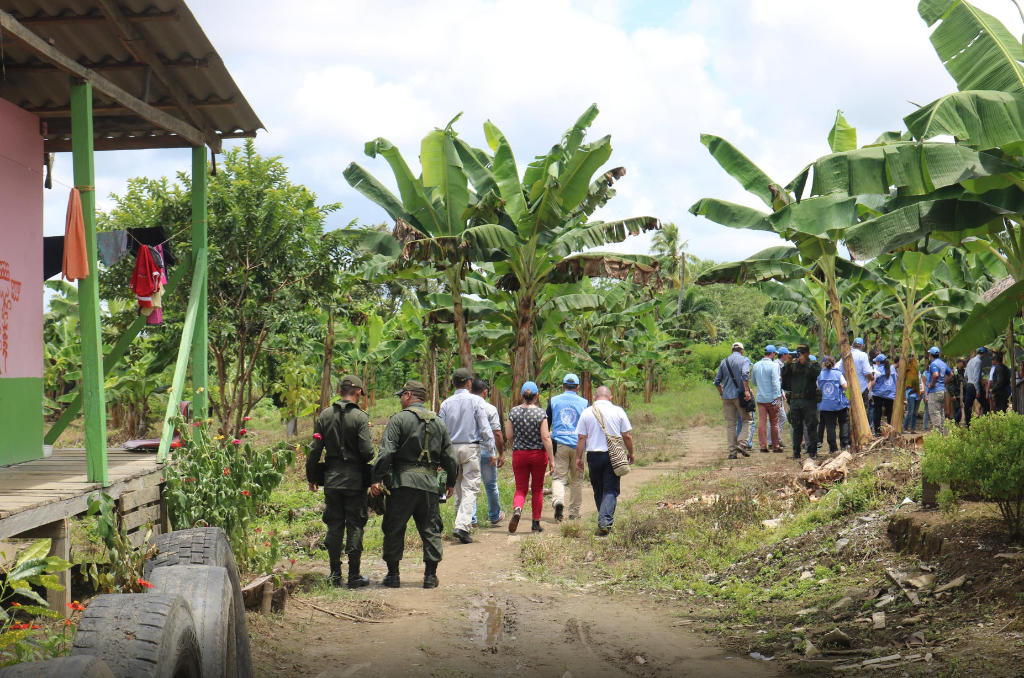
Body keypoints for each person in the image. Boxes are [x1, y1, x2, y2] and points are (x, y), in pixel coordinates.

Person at [369, 380, 459, 589]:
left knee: (394, 527)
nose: (400, 399)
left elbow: (386, 452)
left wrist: (376, 478)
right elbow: (449, 456)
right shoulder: (438, 422)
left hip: (401, 485)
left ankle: (393, 576)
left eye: (402, 395)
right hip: (429, 485)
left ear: (408, 395)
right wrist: (451, 481)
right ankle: (430, 576)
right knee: (431, 528)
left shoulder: (398, 420)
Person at [305, 375, 375, 588]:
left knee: (334, 525)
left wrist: (311, 476)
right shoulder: (360, 417)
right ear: (359, 393)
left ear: (339, 391)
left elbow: (314, 450)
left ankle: (335, 574)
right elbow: (368, 452)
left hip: (332, 479)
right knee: (355, 525)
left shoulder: (325, 415)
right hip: (355, 480)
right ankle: (354, 575)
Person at [437, 367, 495, 544]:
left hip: (451, 449)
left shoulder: (446, 404)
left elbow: (440, 431)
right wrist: (492, 451)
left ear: (453, 383)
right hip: (470, 448)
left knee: (458, 487)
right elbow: (485, 428)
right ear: (469, 382)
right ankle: (462, 526)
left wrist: (440, 457)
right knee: (470, 487)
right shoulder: (476, 402)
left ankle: (461, 524)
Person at [575, 386, 634, 535]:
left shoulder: (587, 412)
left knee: (598, 489)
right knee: (610, 489)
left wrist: (578, 457)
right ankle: (605, 521)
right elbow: (627, 435)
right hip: (612, 456)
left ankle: (603, 519)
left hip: (593, 456)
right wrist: (631, 452)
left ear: (594, 398)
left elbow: (581, 437)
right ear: (610, 397)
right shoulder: (618, 411)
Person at [506, 381, 554, 533]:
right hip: (538, 455)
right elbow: (545, 437)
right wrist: (552, 459)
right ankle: (535, 523)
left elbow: (509, 435)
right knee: (537, 488)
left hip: (519, 454)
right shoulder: (540, 413)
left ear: (521, 395)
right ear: (536, 396)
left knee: (521, 488)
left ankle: (518, 508)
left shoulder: (513, 412)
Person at [546, 373, 588, 521]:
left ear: (563, 386)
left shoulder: (554, 401)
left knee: (559, 477)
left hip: (560, 444)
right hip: (578, 445)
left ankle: (558, 501)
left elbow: (547, 424)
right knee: (576, 480)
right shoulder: (584, 403)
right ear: (578, 387)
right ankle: (574, 512)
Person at [471, 378, 505, 527]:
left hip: (471, 451)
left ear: (471, 391)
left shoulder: (467, 407)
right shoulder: (490, 408)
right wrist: (501, 453)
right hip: (487, 452)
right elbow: (497, 433)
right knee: (491, 485)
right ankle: (495, 516)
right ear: (485, 391)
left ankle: (471, 519)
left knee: (470, 486)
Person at [713, 342, 753, 460]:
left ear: (731, 351)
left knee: (731, 425)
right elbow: (745, 375)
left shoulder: (724, 362)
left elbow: (717, 381)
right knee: (747, 420)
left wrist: (721, 394)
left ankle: (732, 452)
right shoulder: (744, 360)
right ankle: (742, 443)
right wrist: (746, 390)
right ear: (742, 351)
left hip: (727, 396)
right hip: (740, 396)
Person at [781, 345, 821, 460]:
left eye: (802, 353)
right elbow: (784, 375)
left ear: (808, 353)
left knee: (811, 426)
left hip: (808, 401)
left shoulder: (813, 364)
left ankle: (813, 451)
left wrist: (805, 363)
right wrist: (788, 363)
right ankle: (796, 452)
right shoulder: (793, 365)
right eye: (798, 353)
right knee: (796, 427)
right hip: (795, 401)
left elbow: (816, 373)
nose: (800, 355)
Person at [751, 345, 783, 453]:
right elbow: (776, 382)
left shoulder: (756, 365)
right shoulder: (774, 366)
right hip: (772, 399)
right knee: (774, 421)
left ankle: (763, 446)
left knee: (762, 421)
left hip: (761, 398)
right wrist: (778, 398)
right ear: (772, 353)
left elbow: (754, 381)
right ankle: (775, 446)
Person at [817, 356, 850, 454]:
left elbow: (817, 387)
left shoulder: (820, 374)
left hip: (826, 404)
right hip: (839, 404)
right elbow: (845, 386)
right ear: (834, 363)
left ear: (824, 364)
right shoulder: (838, 374)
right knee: (843, 423)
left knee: (830, 426)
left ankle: (833, 448)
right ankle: (844, 445)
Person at [924, 347, 952, 435]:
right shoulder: (943, 364)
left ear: (930, 355)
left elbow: (935, 375)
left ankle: (938, 435)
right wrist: (945, 382)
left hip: (935, 392)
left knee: (934, 413)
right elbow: (951, 374)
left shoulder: (933, 364)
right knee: (941, 413)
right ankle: (943, 434)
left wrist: (932, 384)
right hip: (942, 391)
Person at [849, 338, 875, 419]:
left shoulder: (847, 354)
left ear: (853, 345)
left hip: (848, 388)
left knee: (850, 411)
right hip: (861, 388)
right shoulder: (863, 355)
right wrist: (872, 378)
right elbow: (867, 372)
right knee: (862, 412)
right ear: (862, 346)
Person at [871, 354, 897, 434]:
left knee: (878, 413)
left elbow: (873, 381)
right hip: (889, 394)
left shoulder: (877, 369)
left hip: (878, 394)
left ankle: (877, 431)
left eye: (876, 361)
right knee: (890, 413)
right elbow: (895, 381)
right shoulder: (892, 369)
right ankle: (891, 430)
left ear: (879, 362)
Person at [964, 348, 985, 427]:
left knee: (967, 406)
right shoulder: (979, 362)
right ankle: (986, 422)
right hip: (975, 386)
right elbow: (976, 377)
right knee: (985, 404)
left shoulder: (971, 360)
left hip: (969, 385)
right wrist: (978, 389)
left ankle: (962, 421)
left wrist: (970, 380)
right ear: (984, 354)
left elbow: (965, 375)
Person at [775, 347, 790, 444]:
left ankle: (776, 439)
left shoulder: (781, 364)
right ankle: (775, 440)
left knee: (778, 417)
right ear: (784, 355)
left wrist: (782, 392)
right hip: (776, 395)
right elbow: (777, 381)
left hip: (779, 394)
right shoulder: (776, 365)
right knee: (778, 417)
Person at [947, 358, 967, 425]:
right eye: (963, 362)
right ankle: (955, 423)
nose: (964, 364)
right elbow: (950, 385)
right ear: (958, 363)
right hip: (957, 395)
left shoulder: (965, 371)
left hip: (964, 394)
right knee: (957, 410)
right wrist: (953, 395)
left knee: (965, 409)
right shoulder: (954, 372)